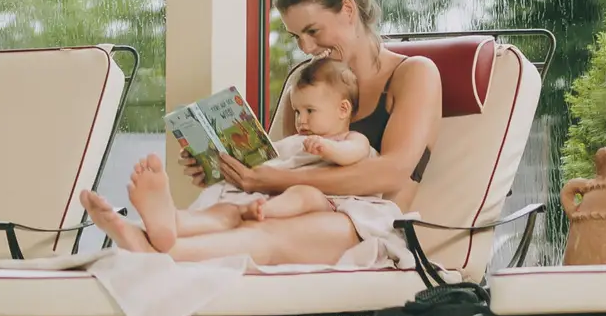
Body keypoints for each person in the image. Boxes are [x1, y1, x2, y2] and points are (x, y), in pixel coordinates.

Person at [81, 0, 443, 265]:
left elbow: (391, 171)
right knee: (238, 214)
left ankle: (154, 251)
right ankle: (161, 229)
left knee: (263, 234)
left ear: (348, 10)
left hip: (370, 226)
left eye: (313, 31)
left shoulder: (413, 74)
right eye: (296, 36)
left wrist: (271, 180)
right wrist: (224, 166)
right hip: (295, 210)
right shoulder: (306, 83)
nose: (305, 48)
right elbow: (280, 162)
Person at [89, 58, 390, 252]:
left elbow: (353, 154)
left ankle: (260, 213)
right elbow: (269, 166)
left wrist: (329, 148)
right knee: (227, 208)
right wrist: (219, 160)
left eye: (310, 111)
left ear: (343, 110)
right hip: (266, 197)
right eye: (298, 111)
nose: (301, 120)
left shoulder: (352, 138)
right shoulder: (294, 142)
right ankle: (174, 223)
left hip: (327, 200)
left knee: (304, 192)